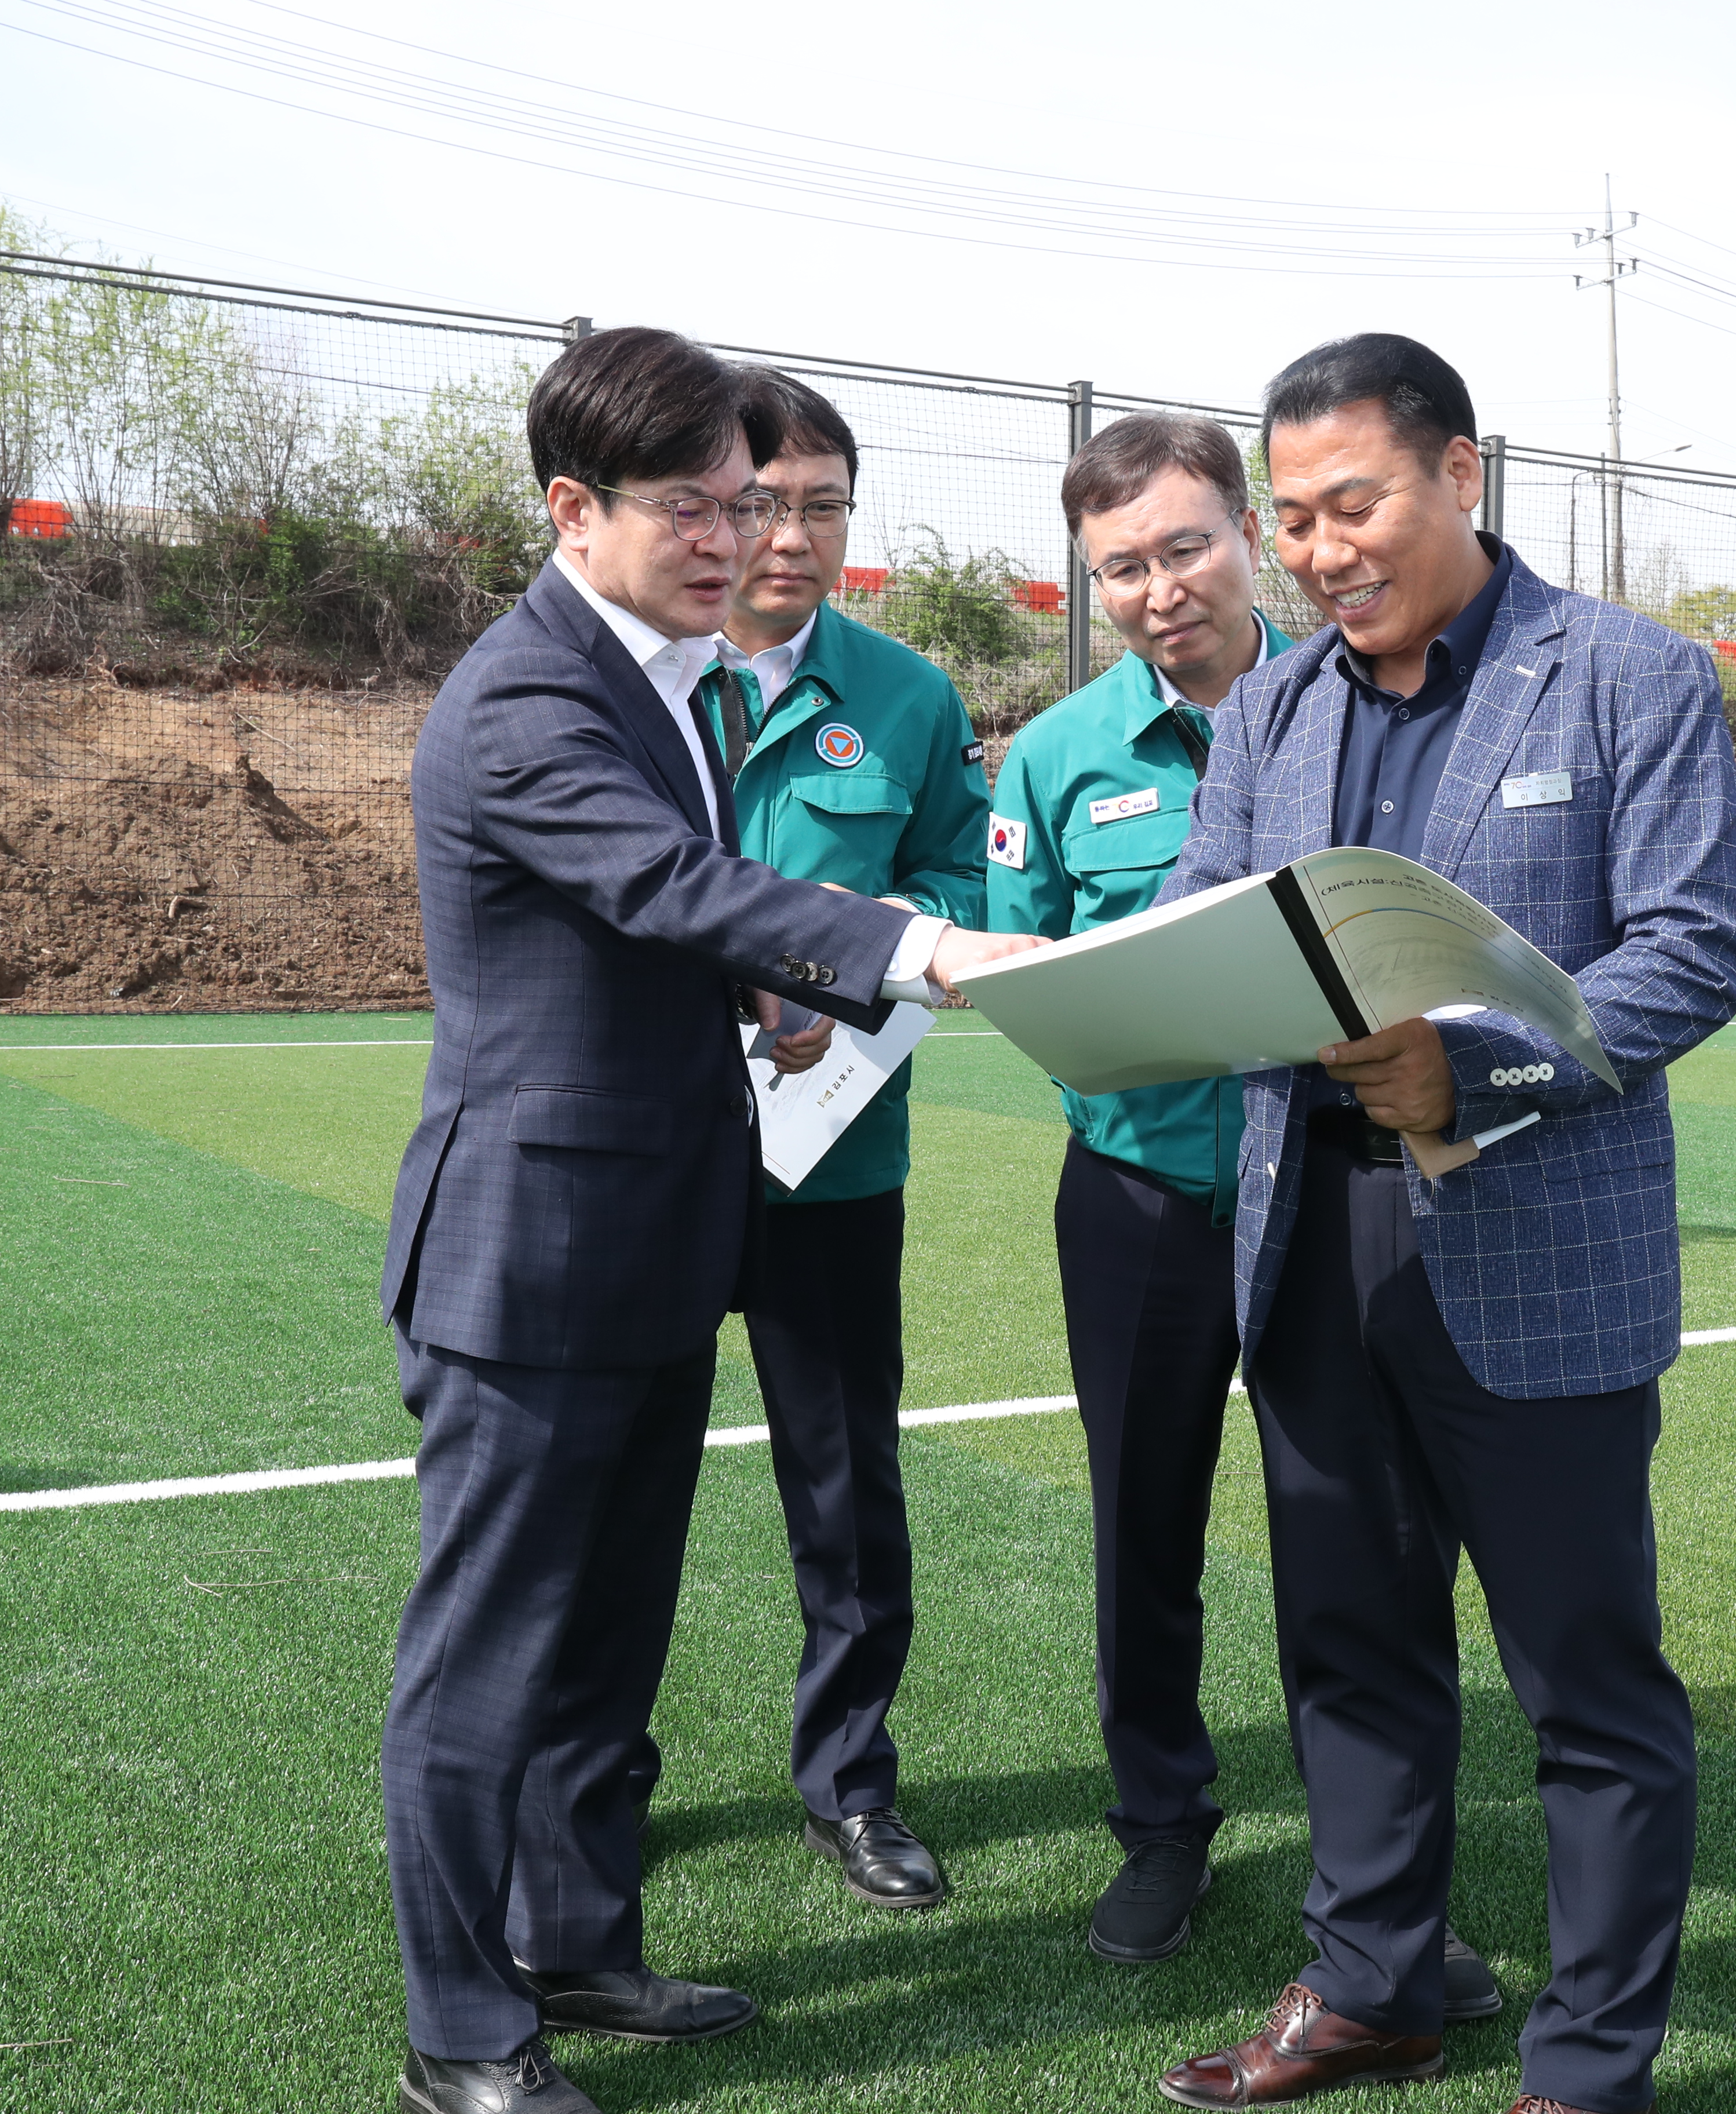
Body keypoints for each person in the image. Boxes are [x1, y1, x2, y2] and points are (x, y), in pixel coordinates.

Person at [376, 326, 1038, 2114]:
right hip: (531, 1258)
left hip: (654, 1238)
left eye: (748, 504)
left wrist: (758, 992)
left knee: (606, 1635)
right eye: (692, 507)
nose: (735, 539)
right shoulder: (530, 694)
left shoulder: (660, 674)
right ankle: (465, 2036)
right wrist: (918, 947)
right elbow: (666, 879)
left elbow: (640, 925)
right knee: (490, 1656)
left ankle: (576, 1943)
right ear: (572, 507)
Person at [1146, 336, 1736, 2114]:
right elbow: (1204, 912)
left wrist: (1470, 1069)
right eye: (1294, 519)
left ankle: (1588, 2066)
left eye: (1356, 505)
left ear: (1461, 475)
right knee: (1349, 1647)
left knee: (1587, 1683)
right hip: (1310, 1241)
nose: (1321, 551)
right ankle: (1375, 1986)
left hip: (1531, 1244)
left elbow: (1690, 951)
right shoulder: (1270, 711)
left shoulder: (1629, 675)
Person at [987, 413, 1501, 2017]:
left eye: (1185, 546)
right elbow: (1028, 971)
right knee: (1143, 1525)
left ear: (1247, 538)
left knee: (1353, 1541)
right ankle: (1162, 1825)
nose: (1159, 589)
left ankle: (1381, 1893)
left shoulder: (1360, 704)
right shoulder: (1055, 757)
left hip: (1335, 1193)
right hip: (1142, 1197)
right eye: (1119, 568)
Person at [706, 369, 991, 1910]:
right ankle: (590, 1784)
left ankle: (852, 1787)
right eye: (762, 504)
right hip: (656, 1158)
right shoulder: (636, 678)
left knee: (845, 1487)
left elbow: (968, 890)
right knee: (614, 1489)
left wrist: (860, 964)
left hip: (833, 1154)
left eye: (824, 506)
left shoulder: (907, 697)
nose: (793, 537)